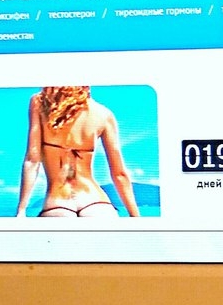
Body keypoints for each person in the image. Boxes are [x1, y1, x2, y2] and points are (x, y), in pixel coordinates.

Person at [16, 85, 140, 218]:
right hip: (97, 203)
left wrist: (21, 210)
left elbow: (32, 160)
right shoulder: (103, 114)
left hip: (58, 204)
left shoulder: (41, 103)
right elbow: (119, 174)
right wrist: (135, 216)